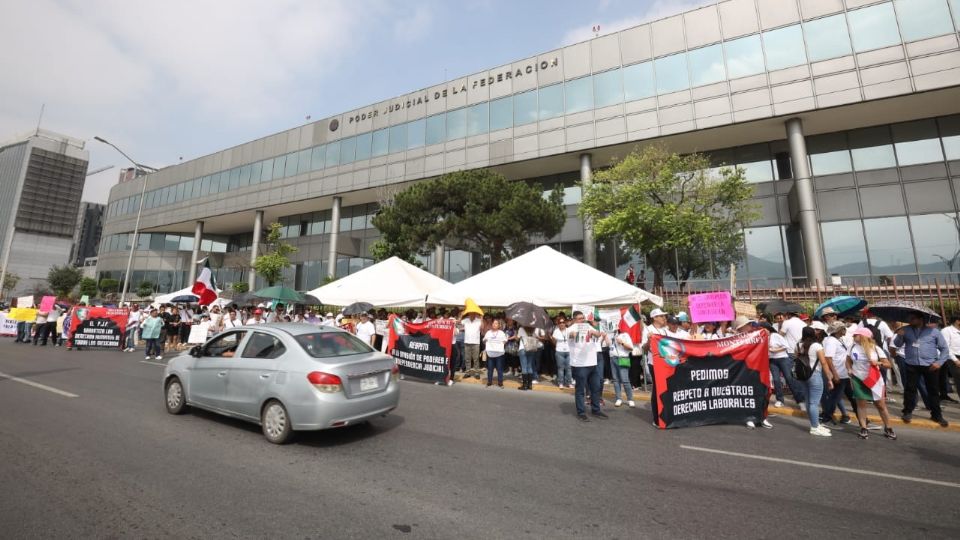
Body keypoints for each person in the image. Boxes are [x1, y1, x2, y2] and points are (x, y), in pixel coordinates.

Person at [893, 313, 950, 427]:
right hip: (912, 363)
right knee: (910, 389)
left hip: (930, 365)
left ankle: (936, 414)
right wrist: (899, 336)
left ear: (921, 319)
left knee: (933, 391)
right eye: (910, 318)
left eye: (913, 318)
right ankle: (907, 411)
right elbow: (897, 344)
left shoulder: (934, 331)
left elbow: (944, 349)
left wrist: (939, 363)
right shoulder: (905, 329)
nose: (910, 320)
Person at [848, 328, 897, 440]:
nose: (853, 337)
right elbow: (848, 360)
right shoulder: (852, 347)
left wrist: (878, 363)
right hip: (858, 379)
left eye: (856, 335)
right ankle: (863, 428)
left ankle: (888, 428)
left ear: (863, 336)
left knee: (880, 404)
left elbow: (888, 364)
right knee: (861, 404)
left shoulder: (875, 348)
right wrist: (849, 369)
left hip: (874, 379)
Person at [567, 311, 607, 421]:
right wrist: (573, 335)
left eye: (583, 318)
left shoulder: (587, 325)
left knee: (595, 388)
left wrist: (596, 333)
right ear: (574, 319)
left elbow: (598, 334)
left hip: (592, 362)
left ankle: (596, 410)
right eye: (580, 318)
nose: (582, 320)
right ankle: (581, 412)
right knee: (580, 389)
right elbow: (570, 335)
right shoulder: (571, 328)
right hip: (579, 364)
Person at [798, 326, 835, 437]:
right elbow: (824, 363)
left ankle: (815, 424)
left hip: (803, 376)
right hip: (815, 375)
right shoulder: (817, 346)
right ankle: (815, 427)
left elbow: (797, 358)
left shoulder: (798, 344)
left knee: (809, 402)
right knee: (814, 403)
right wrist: (829, 378)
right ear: (813, 334)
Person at [820, 321, 856, 425]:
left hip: (844, 374)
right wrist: (834, 374)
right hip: (839, 374)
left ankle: (864, 421)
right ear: (839, 330)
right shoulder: (831, 341)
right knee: (834, 398)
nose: (845, 330)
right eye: (843, 328)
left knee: (852, 397)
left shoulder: (839, 339)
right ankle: (826, 418)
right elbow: (828, 358)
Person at [767, 317, 806, 409]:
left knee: (789, 379)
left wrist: (775, 350)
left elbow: (786, 346)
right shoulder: (763, 338)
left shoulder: (776, 336)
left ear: (768, 329)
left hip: (783, 359)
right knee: (776, 380)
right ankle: (780, 400)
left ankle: (800, 401)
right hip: (772, 361)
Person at [644, 308, 669, 424]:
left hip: (666, 363)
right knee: (657, 389)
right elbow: (644, 349)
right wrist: (649, 340)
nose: (664, 318)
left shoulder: (665, 330)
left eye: (664, 316)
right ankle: (656, 418)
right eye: (661, 316)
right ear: (654, 318)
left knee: (666, 388)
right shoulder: (647, 329)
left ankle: (665, 414)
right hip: (654, 363)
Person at [610, 325, 635, 407]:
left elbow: (631, 348)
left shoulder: (625, 335)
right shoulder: (611, 335)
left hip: (623, 358)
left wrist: (622, 342)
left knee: (625, 380)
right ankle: (618, 398)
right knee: (616, 380)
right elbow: (609, 346)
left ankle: (630, 399)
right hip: (613, 358)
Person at [940, 314, 960, 403]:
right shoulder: (946, 331)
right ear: (957, 321)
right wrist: (955, 360)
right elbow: (946, 348)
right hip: (953, 357)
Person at [483, 319, 507, 388]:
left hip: (499, 354)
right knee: (490, 369)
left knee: (499, 369)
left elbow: (505, 340)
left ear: (499, 325)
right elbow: (484, 340)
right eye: (493, 323)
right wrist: (485, 341)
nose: (494, 324)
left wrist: (500, 345)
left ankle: (500, 383)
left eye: (496, 323)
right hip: (490, 353)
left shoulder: (501, 333)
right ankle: (489, 382)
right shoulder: (488, 332)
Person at [552, 317, 573, 388]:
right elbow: (554, 341)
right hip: (559, 351)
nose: (562, 324)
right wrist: (558, 346)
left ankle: (569, 382)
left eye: (563, 322)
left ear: (565, 323)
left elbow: (573, 337)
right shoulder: (556, 331)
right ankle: (560, 382)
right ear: (558, 324)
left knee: (569, 368)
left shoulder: (569, 330)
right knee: (560, 368)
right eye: (560, 322)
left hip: (568, 351)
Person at [517, 325, 539, 391]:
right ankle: (530, 385)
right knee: (529, 366)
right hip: (531, 349)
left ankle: (525, 385)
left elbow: (517, 338)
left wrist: (517, 336)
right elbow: (537, 337)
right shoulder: (534, 329)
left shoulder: (521, 329)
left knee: (524, 367)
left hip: (523, 349)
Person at [462, 310, 482, 380]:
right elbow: (458, 322)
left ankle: (476, 373)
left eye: (473, 313)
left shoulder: (479, 320)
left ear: (475, 314)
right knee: (467, 359)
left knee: (476, 359)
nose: (472, 314)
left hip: (476, 342)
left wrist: (481, 317)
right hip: (467, 341)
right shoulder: (465, 320)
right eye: (470, 313)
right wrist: (461, 314)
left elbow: (482, 328)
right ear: (468, 314)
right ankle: (468, 373)